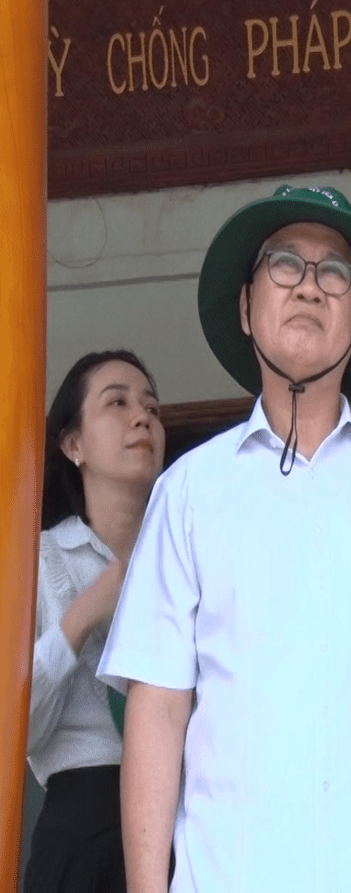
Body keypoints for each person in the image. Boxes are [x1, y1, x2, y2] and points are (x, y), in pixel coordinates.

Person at [97, 184, 351, 893]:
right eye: (285, 264)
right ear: (246, 307)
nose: (310, 286)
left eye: (335, 272)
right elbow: (157, 708)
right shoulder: (188, 492)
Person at [25, 351, 165, 893]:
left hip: (184, 822)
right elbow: (14, 730)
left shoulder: (187, 559)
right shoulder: (37, 562)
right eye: (118, 403)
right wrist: (82, 614)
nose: (142, 417)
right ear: (73, 444)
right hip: (81, 826)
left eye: (151, 408)